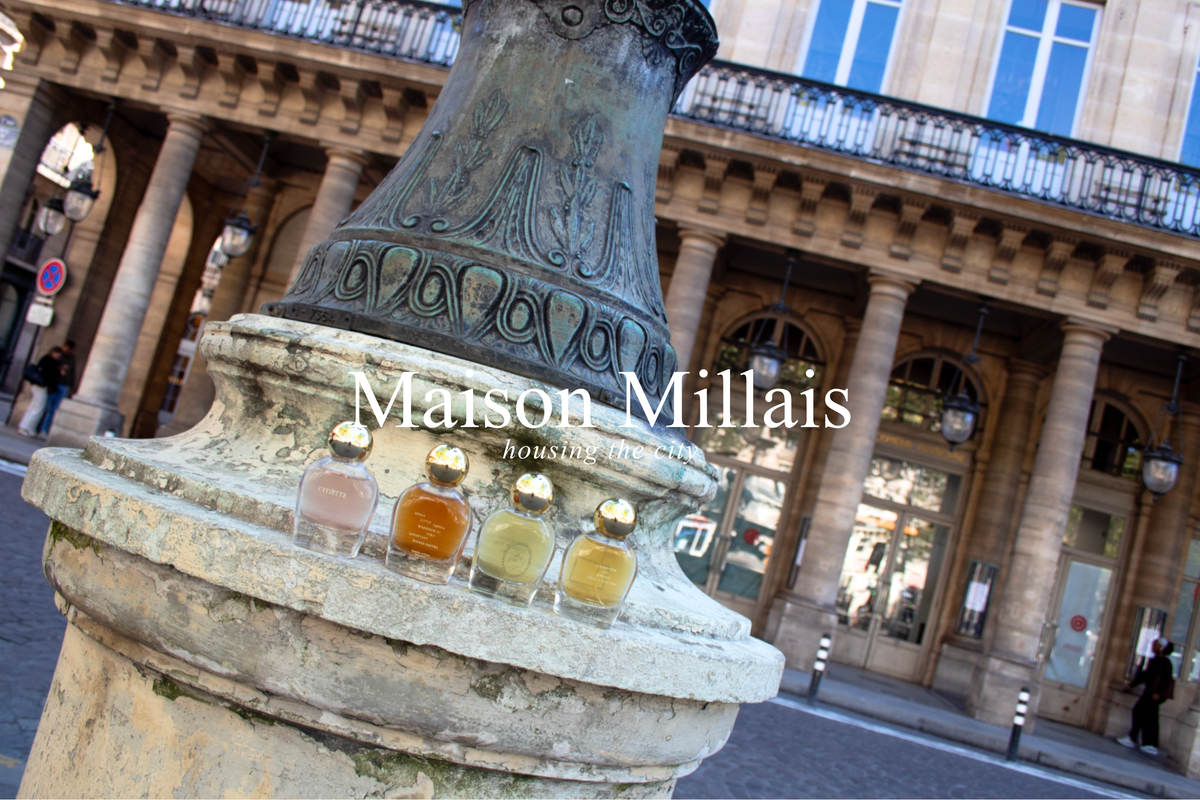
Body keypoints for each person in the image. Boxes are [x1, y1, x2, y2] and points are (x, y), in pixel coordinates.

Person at [1118, 637, 1175, 756]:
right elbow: (1145, 675)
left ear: (1161, 648)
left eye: (1155, 645)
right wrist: (1132, 684)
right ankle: (1137, 739)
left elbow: (1167, 680)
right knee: (1141, 713)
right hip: (1149, 692)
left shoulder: (1165, 662)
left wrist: (1158, 692)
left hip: (1154, 694)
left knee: (1149, 717)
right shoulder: (1154, 660)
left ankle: (1149, 744)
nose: (1152, 647)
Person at [17, 346, 62, 437]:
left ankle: (24, 426)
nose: (58, 356)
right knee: (38, 407)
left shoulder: (46, 359)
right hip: (41, 385)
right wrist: (58, 372)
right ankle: (27, 428)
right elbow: (49, 374)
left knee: (34, 406)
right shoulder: (49, 361)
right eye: (58, 354)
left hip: (38, 384)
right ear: (54, 352)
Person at [38, 339, 75, 436]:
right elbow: (51, 368)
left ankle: (46, 429)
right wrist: (61, 368)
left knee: (55, 409)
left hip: (65, 385)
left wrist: (71, 387)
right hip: (55, 384)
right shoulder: (58, 355)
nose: (68, 351)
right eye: (67, 349)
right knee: (48, 407)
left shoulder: (72, 357)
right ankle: (41, 429)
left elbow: (73, 373)